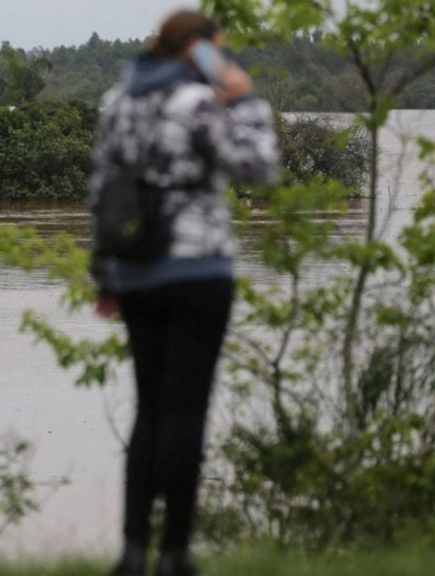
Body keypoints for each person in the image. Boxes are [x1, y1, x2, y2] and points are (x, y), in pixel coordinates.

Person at [89, 10, 279, 576]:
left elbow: (102, 192)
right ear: (199, 51)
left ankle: (131, 551)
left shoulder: (115, 103)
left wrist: (105, 276)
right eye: (216, 51)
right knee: (186, 412)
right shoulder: (198, 103)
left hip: (137, 275)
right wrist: (244, 100)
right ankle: (175, 553)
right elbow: (260, 167)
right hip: (197, 273)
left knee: (148, 410)